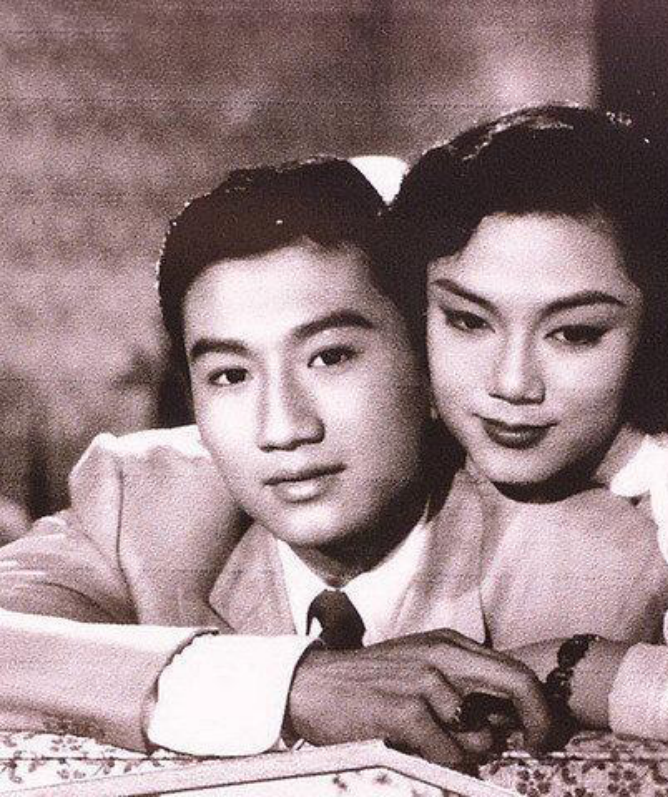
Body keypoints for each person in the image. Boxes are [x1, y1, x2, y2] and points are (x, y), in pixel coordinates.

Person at [0, 157, 560, 765]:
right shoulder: (143, 504)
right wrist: (286, 686)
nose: (283, 428)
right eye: (230, 375)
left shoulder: (559, 539)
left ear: (430, 363)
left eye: (330, 357)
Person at [385, 104, 668, 795]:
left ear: (660, 325)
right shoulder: (422, 403)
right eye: (468, 320)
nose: (511, 383)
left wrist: (579, 666)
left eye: (575, 333)